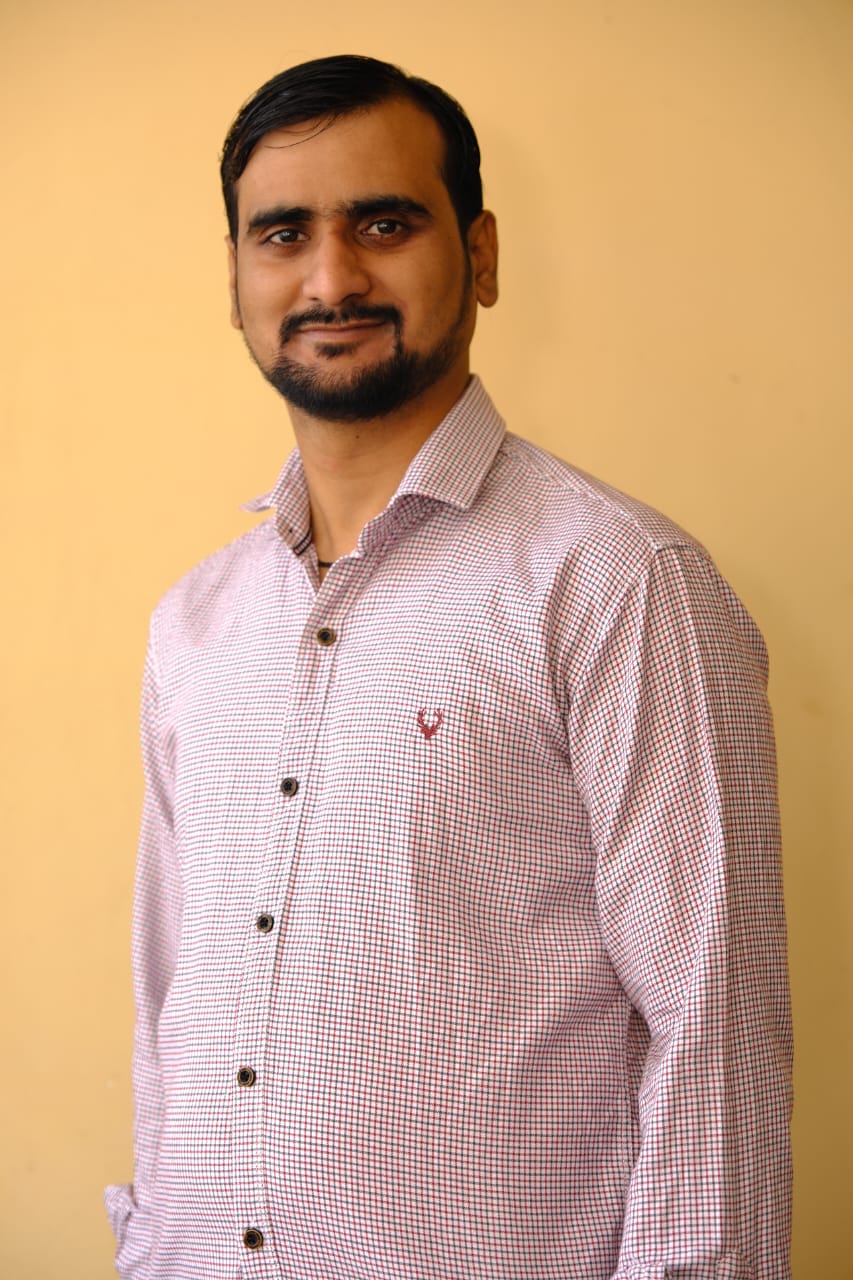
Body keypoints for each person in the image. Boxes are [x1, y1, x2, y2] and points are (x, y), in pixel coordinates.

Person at [105, 53, 792, 1280]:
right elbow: (168, 1009)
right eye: (282, 234)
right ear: (236, 279)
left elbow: (715, 1037)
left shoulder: (618, 581)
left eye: (383, 223)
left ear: (479, 255)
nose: (330, 278)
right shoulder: (195, 623)